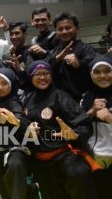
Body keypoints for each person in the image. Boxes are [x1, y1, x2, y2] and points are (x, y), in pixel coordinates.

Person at [24, 60, 98, 199]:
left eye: (46, 73)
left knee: (79, 174)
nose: (42, 77)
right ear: (30, 77)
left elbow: (84, 125)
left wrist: (74, 134)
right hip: (41, 160)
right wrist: (29, 129)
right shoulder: (27, 99)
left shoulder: (61, 97)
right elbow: (24, 127)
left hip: (65, 155)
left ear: (51, 75)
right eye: (37, 74)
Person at [0, 68, 31, 199]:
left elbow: (21, 120)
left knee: (14, 183)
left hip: (14, 150)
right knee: (3, 186)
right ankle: (32, 190)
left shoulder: (14, 101)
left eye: (4, 83)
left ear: (11, 84)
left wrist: (13, 120)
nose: (0, 87)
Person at [80, 56, 112, 198]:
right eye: (97, 72)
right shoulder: (86, 96)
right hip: (93, 157)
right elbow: (78, 124)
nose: (103, 76)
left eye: (107, 71)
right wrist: (92, 111)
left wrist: (109, 118)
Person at [46, 12, 96, 102]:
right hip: (59, 101)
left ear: (77, 28)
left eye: (68, 28)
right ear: (56, 32)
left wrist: (78, 64)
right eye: (60, 29)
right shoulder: (54, 51)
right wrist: (59, 57)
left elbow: (93, 67)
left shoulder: (86, 48)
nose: (64, 32)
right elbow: (45, 66)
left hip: (81, 100)